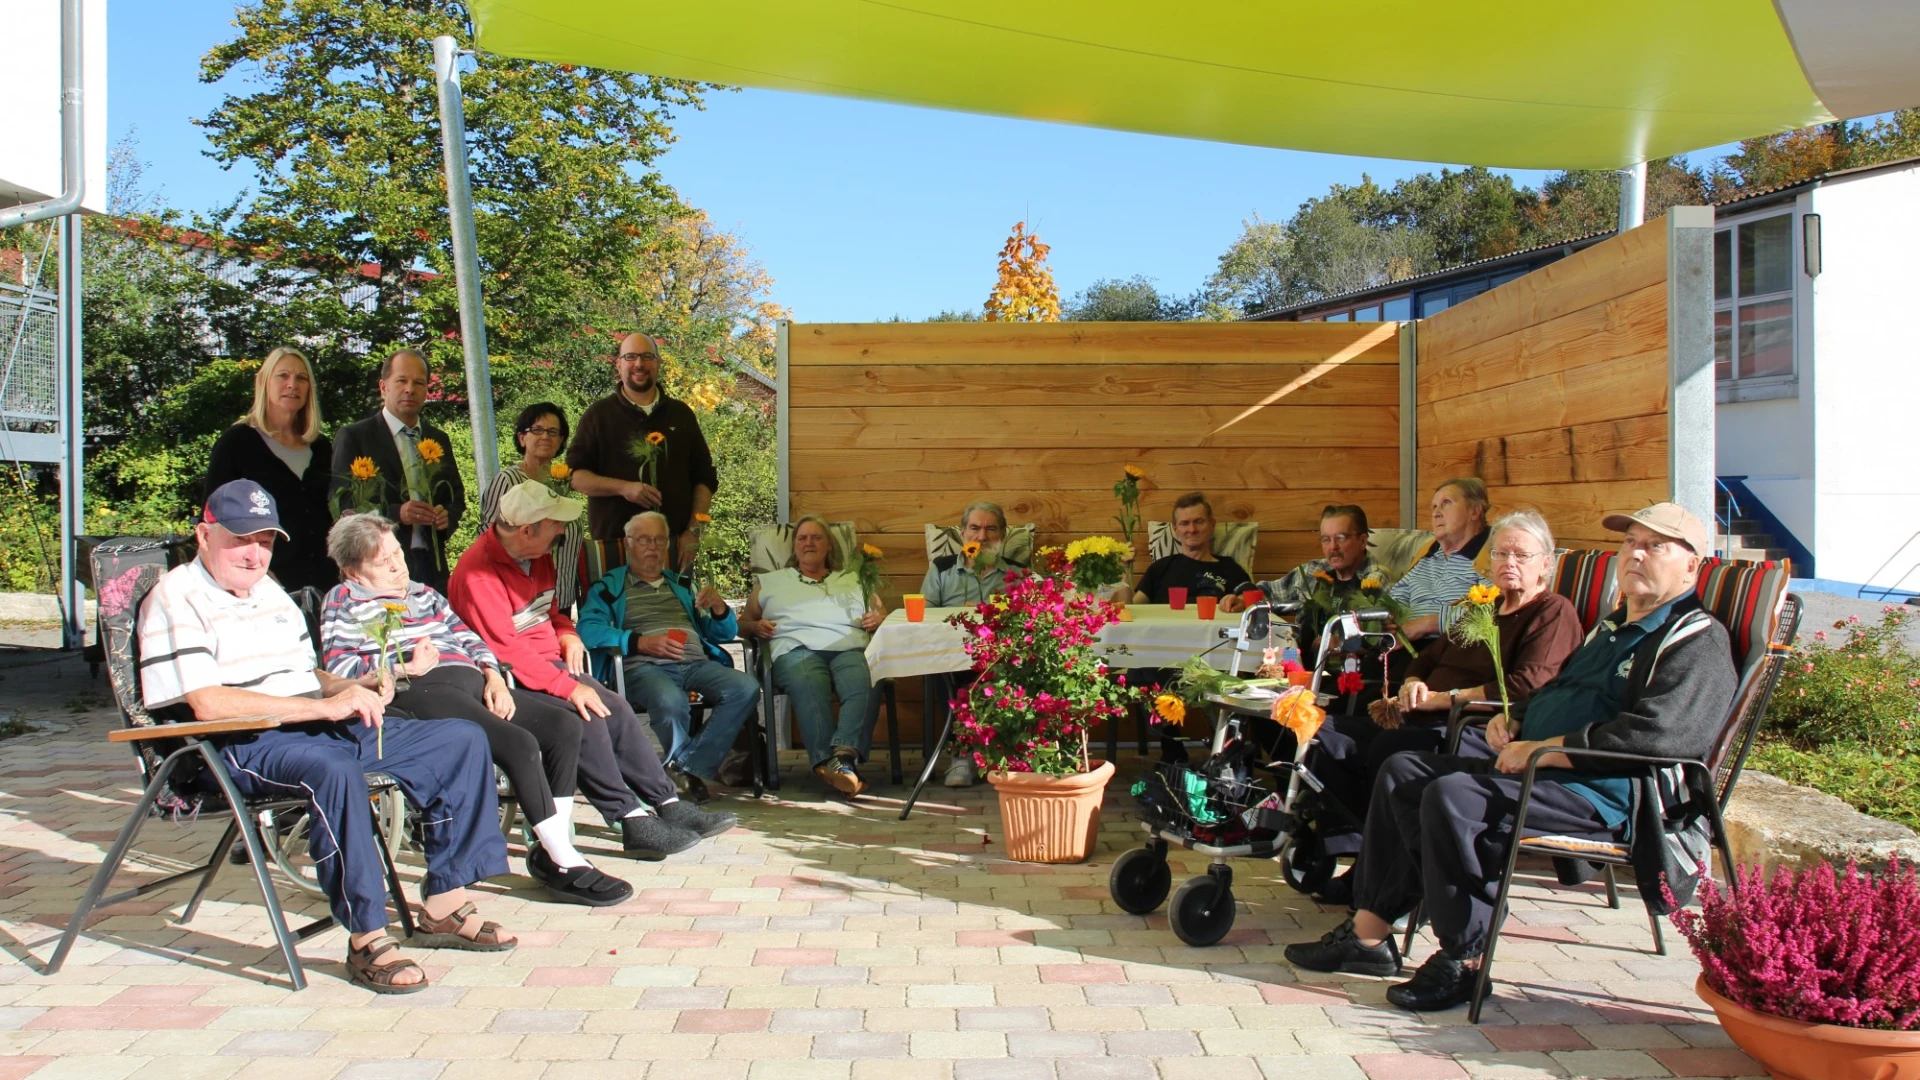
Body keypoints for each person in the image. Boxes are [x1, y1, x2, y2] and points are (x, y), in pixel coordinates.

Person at [1284, 503, 1738, 1012]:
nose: (1635, 554)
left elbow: (1660, 737)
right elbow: (1557, 691)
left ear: (1693, 566)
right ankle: (1368, 939)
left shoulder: (1695, 640)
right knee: (1403, 771)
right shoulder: (1609, 630)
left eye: (1655, 546)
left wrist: (1546, 751)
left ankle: (1465, 960)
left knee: (1453, 797)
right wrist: (1517, 718)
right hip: (1543, 767)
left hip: (1606, 791)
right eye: (1630, 541)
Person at [139, 479, 516, 994]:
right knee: (333, 771)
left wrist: (354, 686)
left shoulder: (267, 591)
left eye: (266, 541)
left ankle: (444, 904)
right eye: (240, 539)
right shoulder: (178, 597)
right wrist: (320, 707)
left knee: (459, 739)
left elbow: (308, 674)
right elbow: (209, 703)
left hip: (314, 723)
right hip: (241, 741)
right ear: (204, 535)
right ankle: (367, 938)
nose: (255, 554)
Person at [319, 513, 633, 907]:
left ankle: (555, 845)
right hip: (417, 690)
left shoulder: (424, 594)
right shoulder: (344, 601)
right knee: (518, 743)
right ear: (353, 572)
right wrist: (400, 668)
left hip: (473, 681)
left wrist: (494, 677)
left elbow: (469, 637)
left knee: (564, 726)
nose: (398, 565)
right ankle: (566, 862)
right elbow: (339, 668)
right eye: (383, 563)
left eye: (397, 553)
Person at [1307, 509, 1584, 906]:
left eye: (1521, 556)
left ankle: (1384, 878)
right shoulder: (1483, 608)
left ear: (1547, 564)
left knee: (1392, 749)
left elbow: (1527, 685)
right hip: (1423, 712)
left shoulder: (1552, 613)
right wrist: (1413, 681)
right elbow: (1428, 656)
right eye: (1501, 554)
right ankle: (1357, 854)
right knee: (1323, 734)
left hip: (1470, 726)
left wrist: (1444, 698)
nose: (1508, 563)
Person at [448, 479, 736, 859]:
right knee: (589, 715)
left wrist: (567, 634)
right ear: (527, 529)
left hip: (548, 664)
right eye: (555, 525)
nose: (563, 533)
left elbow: (551, 613)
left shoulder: (537, 554)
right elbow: (506, 649)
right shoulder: (477, 574)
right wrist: (568, 688)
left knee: (615, 708)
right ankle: (630, 818)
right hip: (508, 678)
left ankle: (667, 803)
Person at [577, 510, 758, 804]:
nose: (653, 546)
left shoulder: (684, 586)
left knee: (745, 688)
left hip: (696, 663)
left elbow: (722, 633)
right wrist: (639, 642)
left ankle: (683, 767)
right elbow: (588, 630)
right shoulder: (609, 588)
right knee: (669, 701)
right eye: (645, 539)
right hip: (644, 667)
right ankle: (685, 770)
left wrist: (719, 609)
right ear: (629, 543)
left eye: (659, 540)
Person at [738, 515, 883, 797]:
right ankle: (831, 762)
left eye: (816, 537)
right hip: (794, 649)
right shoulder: (771, 581)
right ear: (794, 547)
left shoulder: (853, 579)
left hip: (849, 646)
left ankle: (841, 757)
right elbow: (743, 624)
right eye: (802, 538)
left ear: (829, 545)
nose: (809, 543)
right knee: (809, 681)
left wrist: (877, 619)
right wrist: (755, 626)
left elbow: (881, 613)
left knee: (867, 678)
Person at [567, 332, 719, 572]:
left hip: (673, 547)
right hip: (615, 549)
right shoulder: (598, 415)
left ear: (658, 363)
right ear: (619, 364)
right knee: (613, 611)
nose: (639, 364)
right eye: (630, 357)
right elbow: (575, 477)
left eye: (647, 356)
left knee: (675, 610)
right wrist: (623, 488)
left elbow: (705, 478)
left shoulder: (681, 415)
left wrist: (693, 533)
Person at [329, 348, 466, 591]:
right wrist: (396, 513)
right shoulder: (355, 437)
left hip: (431, 565)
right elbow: (342, 504)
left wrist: (446, 518)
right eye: (401, 381)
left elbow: (456, 497)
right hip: (378, 565)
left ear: (426, 391)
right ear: (384, 387)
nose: (410, 389)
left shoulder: (438, 439)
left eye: (419, 383)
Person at [204, 346, 338, 593]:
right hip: (261, 583)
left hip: (324, 582)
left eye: (301, 378)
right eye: (283, 376)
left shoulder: (321, 447)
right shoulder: (236, 443)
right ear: (265, 382)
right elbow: (213, 520)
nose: (292, 384)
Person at [918, 501, 1022, 788]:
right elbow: (925, 614)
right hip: (952, 652)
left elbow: (1028, 619)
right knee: (954, 673)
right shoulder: (942, 569)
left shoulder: (1018, 573)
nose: (981, 536)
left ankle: (998, 753)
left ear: (1002, 534)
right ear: (962, 533)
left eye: (991, 529)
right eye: (974, 528)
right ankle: (964, 756)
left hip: (1001, 654)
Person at [480, 402, 587, 613]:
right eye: (537, 430)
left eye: (553, 431)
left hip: (563, 600)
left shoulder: (562, 483)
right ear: (522, 438)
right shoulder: (508, 481)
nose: (545, 436)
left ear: (561, 441)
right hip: (522, 601)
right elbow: (489, 537)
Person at [1389, 478, 1493, 648]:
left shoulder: (1491, 552)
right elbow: (1398, 597)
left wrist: (1428, 623)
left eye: (1446, 503)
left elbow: (1492, 613)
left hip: (1454, 645)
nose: (1436, 513)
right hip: (1405, 643)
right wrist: (1388, 619)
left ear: (1475, 511)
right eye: (1434, 506)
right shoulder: (1427, 552)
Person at [1133, 492, 1253, 610]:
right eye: (1184, 523)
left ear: (1212, 524)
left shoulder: (1229, 567)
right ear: (1176, 529)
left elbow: (1252, 599)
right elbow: (1132, 607)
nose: (1192, 529)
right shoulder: (1160, 568)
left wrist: (1241, 601)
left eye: (1199, 522)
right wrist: (1125, 571)